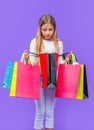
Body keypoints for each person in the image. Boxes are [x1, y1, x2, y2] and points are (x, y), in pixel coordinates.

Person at [24, 14, 71, 130]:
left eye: (50, 29)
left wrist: (67, 60)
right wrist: (26, 58)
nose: (47, 32)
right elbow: (32, 63)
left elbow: (59, 63)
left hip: (52, 79)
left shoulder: (58, 43)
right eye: (44, 29)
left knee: (50, 111)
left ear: (54, 29)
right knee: (40, 111)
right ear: (40, 29)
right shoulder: (35, 42)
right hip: (38, 79)